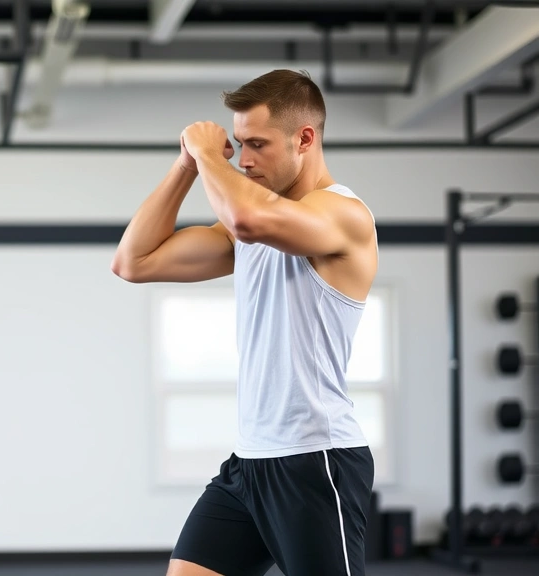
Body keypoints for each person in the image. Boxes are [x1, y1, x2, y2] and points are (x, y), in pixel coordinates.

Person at [111, 69, 378, 576]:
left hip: (316, 460)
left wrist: (211, 154)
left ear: (305, 138)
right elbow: (133, 262)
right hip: (249, 463)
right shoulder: (244, 232)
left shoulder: (343, 214)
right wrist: (187, 164)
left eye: (257, 143)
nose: (244, 157)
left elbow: (249, 218)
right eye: (238, 144)